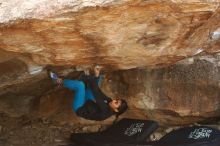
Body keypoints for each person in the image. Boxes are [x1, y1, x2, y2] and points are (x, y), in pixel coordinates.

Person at [49, 65, 128, 121]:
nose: (114, 100)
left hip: (80, 107)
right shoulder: (109, 102)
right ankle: (86, 78)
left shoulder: (105, 111)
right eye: (116, 99)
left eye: (116, 102)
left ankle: (59, 81)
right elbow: (99, 92)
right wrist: (97, 77)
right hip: (88, 103)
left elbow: (96, 92)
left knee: (80, 85)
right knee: (99, 79)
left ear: (116, 110)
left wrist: (96, 75)